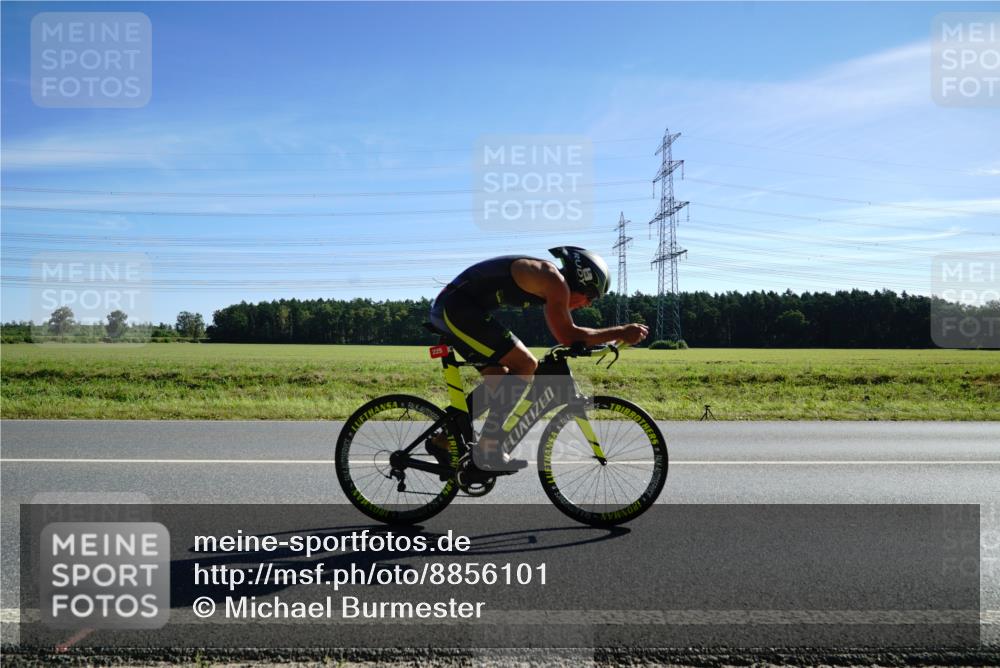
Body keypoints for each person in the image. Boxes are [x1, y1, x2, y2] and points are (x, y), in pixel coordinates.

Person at [427, 247, 648, 471]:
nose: (588, 304)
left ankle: (445, 439)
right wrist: (620, 331)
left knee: (500, 379)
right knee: (525, 364)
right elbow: (568, 335)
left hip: (459, 309)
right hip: (455, 309)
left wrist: (603, 341)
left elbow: (569, 334)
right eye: (590, 296)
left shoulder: (551, 283)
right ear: (581, 280)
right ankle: (488, 448)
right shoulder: (553, 281)